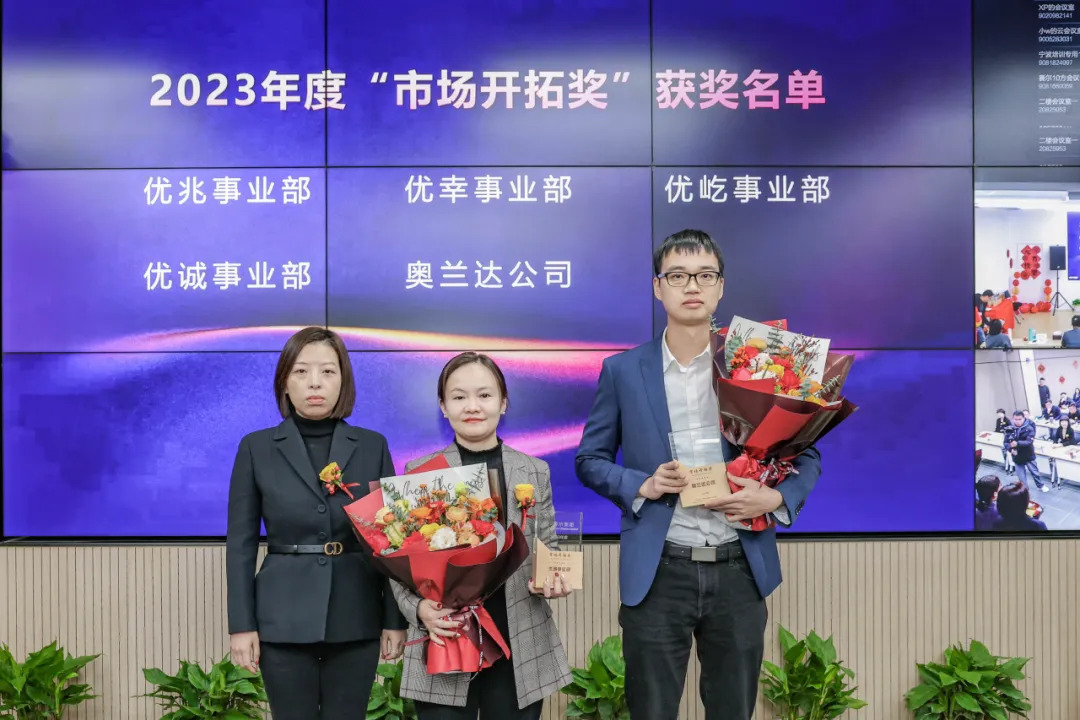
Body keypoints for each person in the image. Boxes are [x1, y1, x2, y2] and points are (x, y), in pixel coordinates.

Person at [575, 229, 822, 720]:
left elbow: (806, 452)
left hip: (738, 566)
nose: (692, 286)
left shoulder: (758, 364)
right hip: (659, 569)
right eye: (678, 276)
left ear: (721, 287)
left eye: (705, 275)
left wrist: (774, 499)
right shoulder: (623, 371)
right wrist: (642, 484)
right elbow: (589, 460)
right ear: (657, 287)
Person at [226, 327, 408, 719]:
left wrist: (394, 620)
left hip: (356, 614)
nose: (315, 382)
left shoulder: (372, 445)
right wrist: (241, 626)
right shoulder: (256, 447)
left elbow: (391, 539)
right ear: (284, 381)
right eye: (301, 371)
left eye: (327, 371)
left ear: (343, 380)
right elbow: (240, 545)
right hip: (281, 617)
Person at [390, 352, 572, 720]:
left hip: (519, 641)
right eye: (459, 397)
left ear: (503, 403)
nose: (472, 406)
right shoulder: (420, 472)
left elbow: (548, 546)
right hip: (446, 635)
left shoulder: (533, 470)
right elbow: (399, 562)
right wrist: (419, 610)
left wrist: (555, 578)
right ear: (443, 406)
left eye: (485, 395)